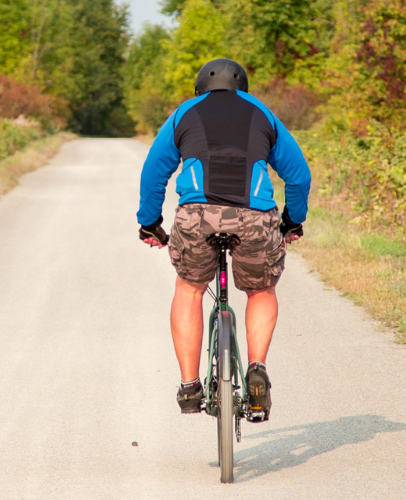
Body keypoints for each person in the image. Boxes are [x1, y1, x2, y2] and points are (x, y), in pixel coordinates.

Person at [136, 58, 312, 421]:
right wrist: (292, 222)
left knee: (189, 289)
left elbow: (154, 173)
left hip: (197, 217)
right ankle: (257, 368)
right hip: (255, 219)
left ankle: (189, 385)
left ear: (200, 88)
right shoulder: (262, 113)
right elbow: (299, 177)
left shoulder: (184, 113)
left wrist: (150, 223)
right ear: (241, 88)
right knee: (260, 290)